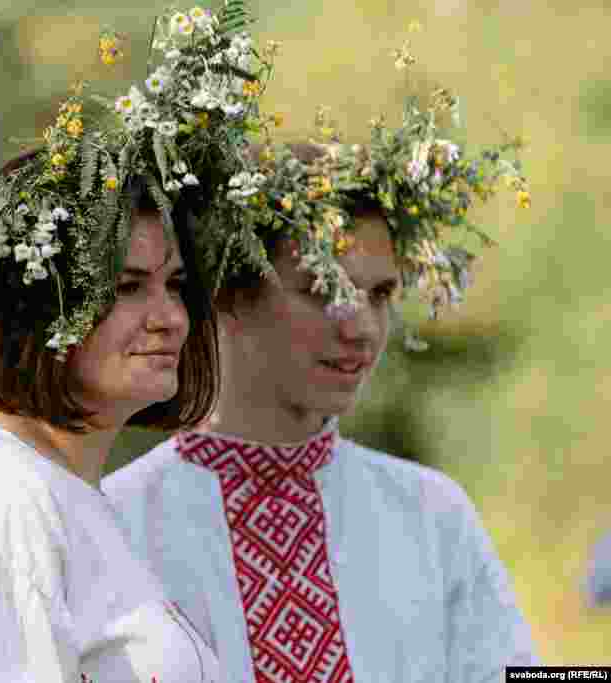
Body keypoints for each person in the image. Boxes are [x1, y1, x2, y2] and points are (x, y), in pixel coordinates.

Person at [0, 4, 284, 679]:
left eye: (174, 285)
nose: (168, 316)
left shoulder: (56, 489)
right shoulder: (1, 498)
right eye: (127, 287)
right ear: (39, 310)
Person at [103, 129, 540, 679]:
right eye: (321, 288)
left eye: (379, 294)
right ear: (228, 294)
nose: (360, 327)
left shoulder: (431, 515)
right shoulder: (115, 525)